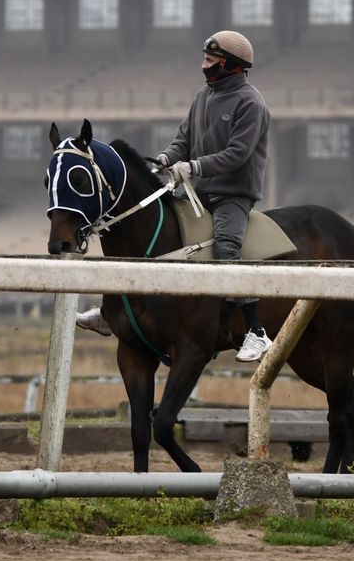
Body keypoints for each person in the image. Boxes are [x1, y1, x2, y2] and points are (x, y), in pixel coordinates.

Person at [76, 30, 274, 362]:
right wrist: (167, 158)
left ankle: (256, 331)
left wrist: (194, 166)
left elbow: (237, 154)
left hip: (232, 196)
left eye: (211, 61)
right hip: (196, 192)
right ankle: (112, 311)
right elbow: (183, 138)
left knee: (227, 246)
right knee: (148, 236)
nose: (204, 66)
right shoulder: (203, 97)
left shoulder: (252, 104)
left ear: (231, 65)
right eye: (205, 59)